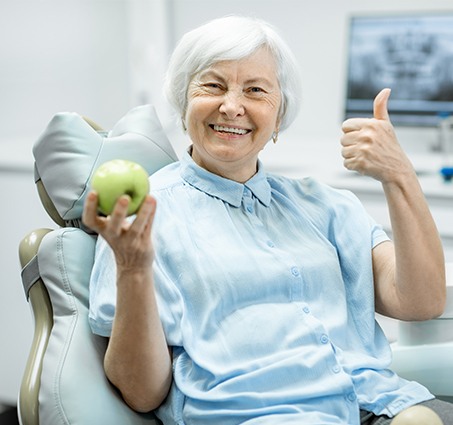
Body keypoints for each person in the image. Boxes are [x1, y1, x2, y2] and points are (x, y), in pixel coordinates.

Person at [83, 15, 453, 425]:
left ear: (279, 117)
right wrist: (133, 269)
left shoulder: (324, 206)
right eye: (213, 85)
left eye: (255, 90)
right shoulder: (144, 219)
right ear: (183, 101)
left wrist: (399, 175)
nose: (232, 106)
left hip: (378, 403)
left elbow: (421, 301)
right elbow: (142, 392)